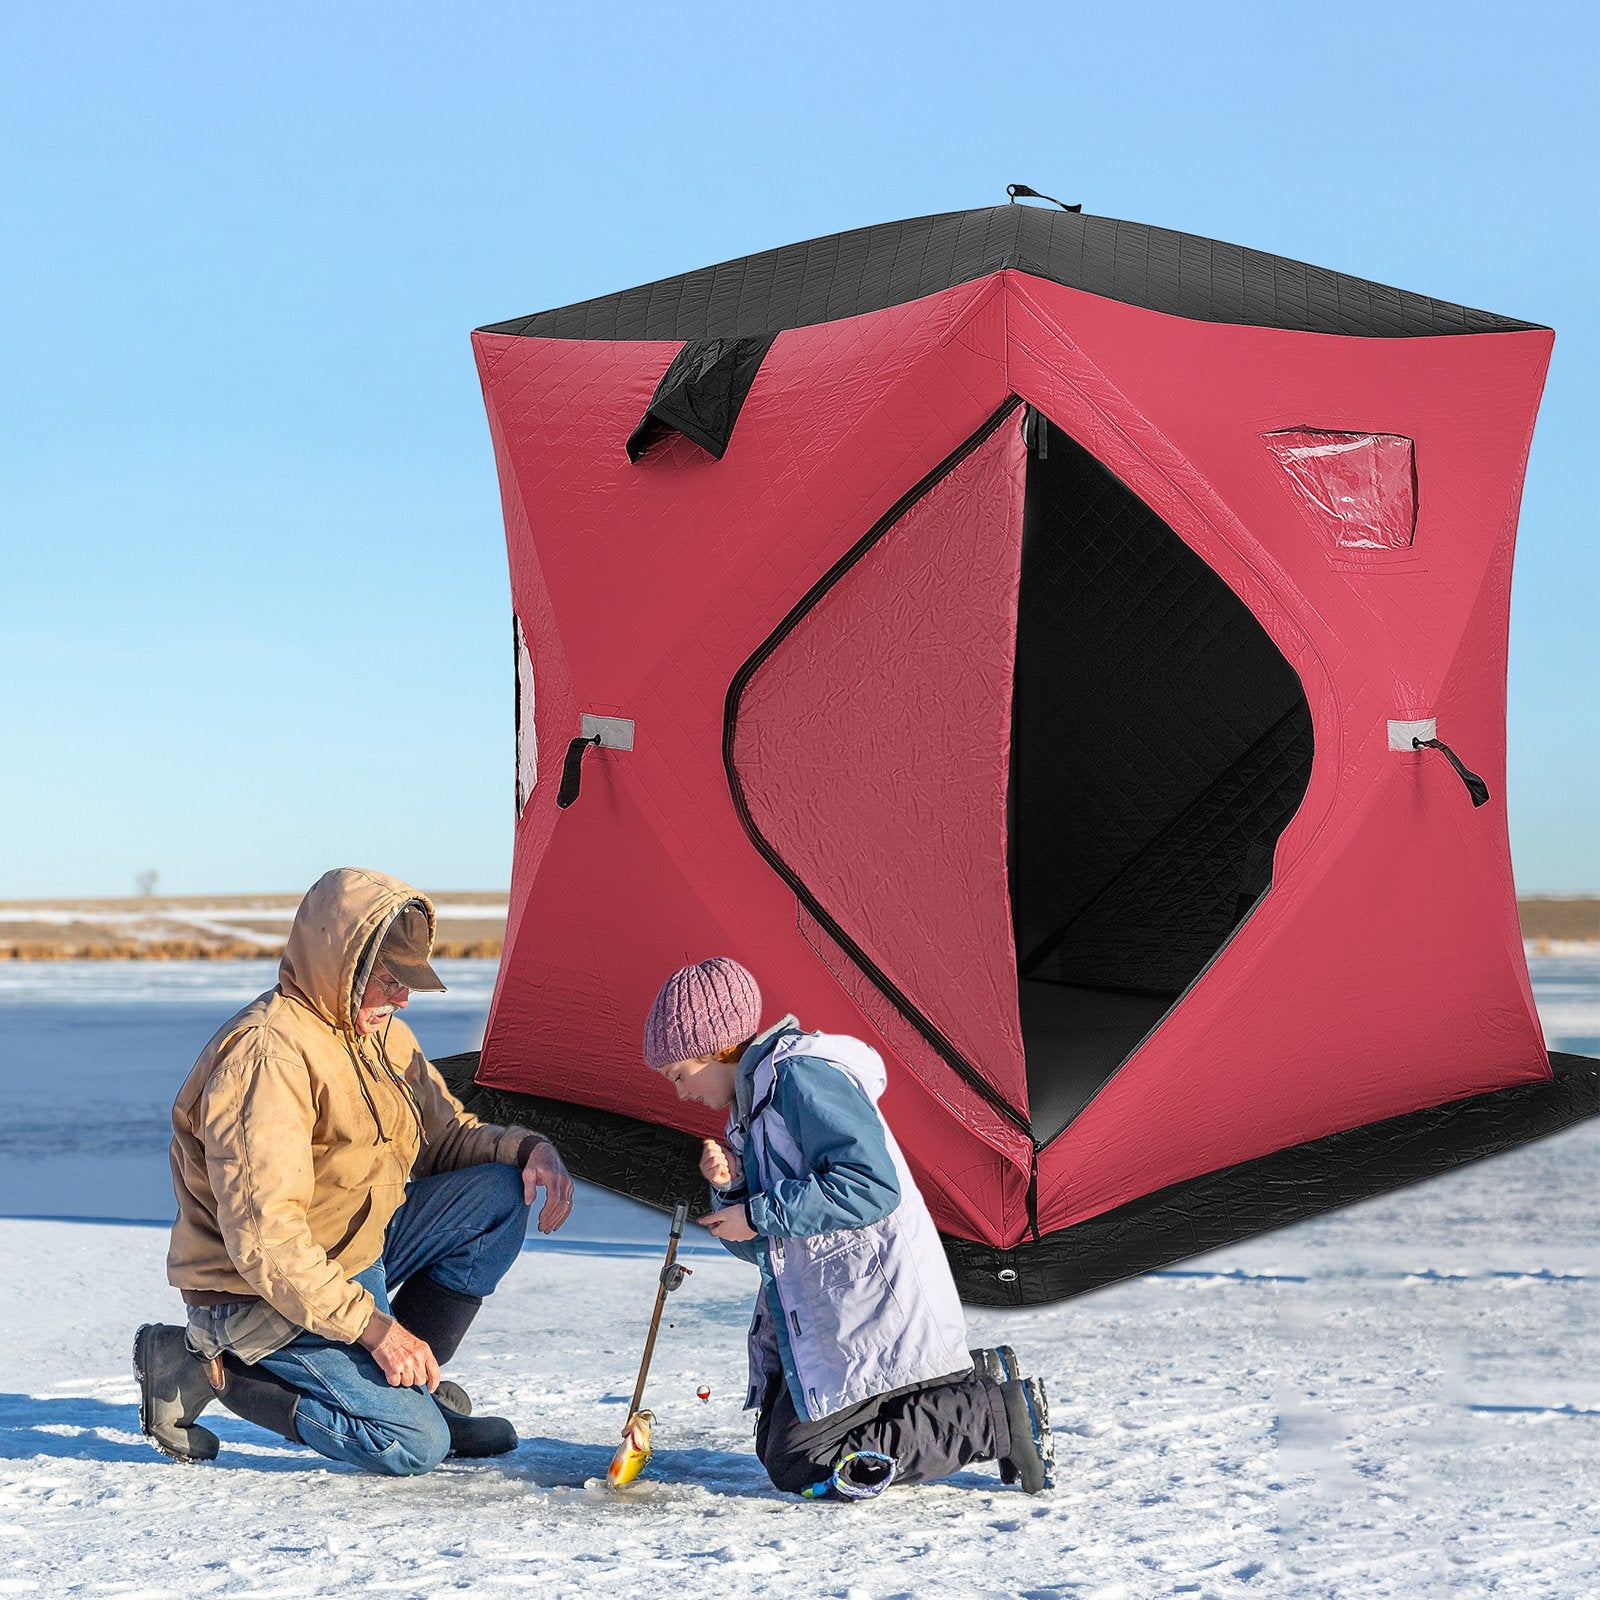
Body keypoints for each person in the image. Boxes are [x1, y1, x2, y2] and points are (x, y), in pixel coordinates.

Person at [135, 866, 574, 1475]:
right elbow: (267, 1243)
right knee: (412, 1446)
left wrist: (529, 1151)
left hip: (352, 1251)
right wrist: (374, 1330)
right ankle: (210, 1370)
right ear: (341, 969)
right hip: (256, 1294)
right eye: (390, 982)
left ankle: (408, 1389)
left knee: (497, 1196)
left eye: (408, 984)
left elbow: (443, 1138)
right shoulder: (268, 1057)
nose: (402, 999)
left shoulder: (377, 1033)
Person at [638, 957, 1054, 1498]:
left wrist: (759, 1212)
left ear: (718, 1047)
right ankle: (972, 1382)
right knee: (780, 1446)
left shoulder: (799, 1078)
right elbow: (768, 1246)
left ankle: (994, 1415)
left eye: (680, 1075)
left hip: (872, 1299)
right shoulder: (753, 1113)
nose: (680, 1094)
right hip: (832, 1314)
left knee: (802, 1461)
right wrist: (735, 1193)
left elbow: (871, 1186)